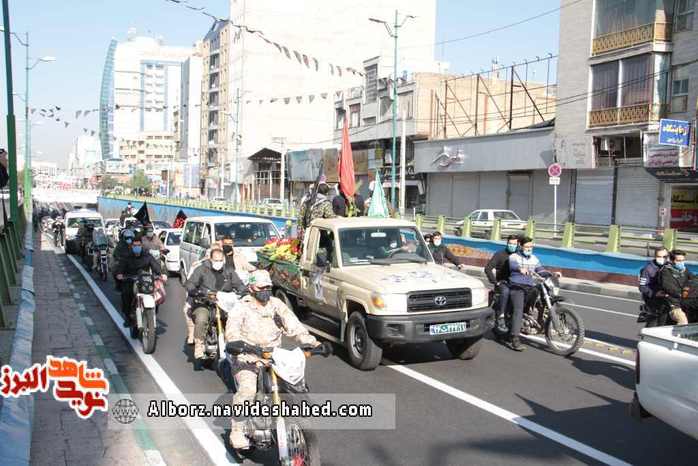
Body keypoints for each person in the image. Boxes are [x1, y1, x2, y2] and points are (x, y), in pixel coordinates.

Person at [225, 269, 322, 451]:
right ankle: (237, 430)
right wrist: (238, 345)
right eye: (261, 287)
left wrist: (313, 343)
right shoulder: (241, 307)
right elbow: (232, 333)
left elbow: (293, 326)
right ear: (251, 288)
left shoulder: (276, 305)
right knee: (248, 390)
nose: (265, 291)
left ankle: (296, 425)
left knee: (297, 385)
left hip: (274, 356)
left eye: (268, 287)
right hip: (248, 358)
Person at [185, 246, 247, 369]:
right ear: (210, 259)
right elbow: (190, 283)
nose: (218, 263)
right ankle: (199, 344)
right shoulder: (201, 269)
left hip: (225, 303)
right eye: (215, 260)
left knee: (238, 318)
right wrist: (196, 291)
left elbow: (239, 284)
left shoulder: (229, 271)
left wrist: (243, 291)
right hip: (205, 302)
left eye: (220, 260)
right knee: (201, 318)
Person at [507, 236, 554, 352]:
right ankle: (515, 339)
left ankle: (534, 318)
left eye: (531, 247)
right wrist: (520, 269)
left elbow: (540, 270)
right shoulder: (514, 256)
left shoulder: (534, 258)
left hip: (529, 286)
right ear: (520, 246)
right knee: (518, 310)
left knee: (539, 295)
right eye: (527, 247)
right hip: (517, 286)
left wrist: (552, 274)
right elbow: (513, 265)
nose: (529, 249)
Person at [114, 235, 164, 328]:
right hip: (130, 280)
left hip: (145, 281)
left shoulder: (147, 255)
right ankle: (128, 317)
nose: (137, 247)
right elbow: (120, 268)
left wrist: (161, 274)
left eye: (138, 245)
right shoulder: (126, 257)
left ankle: (152, 313)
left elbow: (155, 266)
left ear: (141, 245)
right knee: (126, 294)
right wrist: (120, 274)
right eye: (135, 245)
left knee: (157, 295)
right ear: (131, 246)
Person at [485, 235, 519, 331]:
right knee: (505, 292)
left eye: (514, 244)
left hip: (516, 282)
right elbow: (488, 269)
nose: (512, 246)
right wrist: (495, 282)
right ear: (507, 244)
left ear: (518, 245)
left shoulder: (519, 255)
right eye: (510, 244)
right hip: (503, 283)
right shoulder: (500, 254)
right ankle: (501, 316)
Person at [658, 249, 691, 325]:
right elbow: (669, 288)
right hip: (673, 304)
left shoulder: (684, 270)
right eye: (679, 261)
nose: (681, 263)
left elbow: (692, 279)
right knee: (683, 321)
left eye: (683, 260)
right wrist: (684, 293)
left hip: (686, 302)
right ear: (672, 261)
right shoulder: (665, 271)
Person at [639, 247, 670, 327]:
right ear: (655, 256)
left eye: (664, 256)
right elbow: (642, 287)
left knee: (664, 326)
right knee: (652, 326)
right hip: (653, 301)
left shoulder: (670, 266)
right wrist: (655, 293)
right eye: (659, 256)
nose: (662, 258)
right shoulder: (648, 269)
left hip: (666, 301)